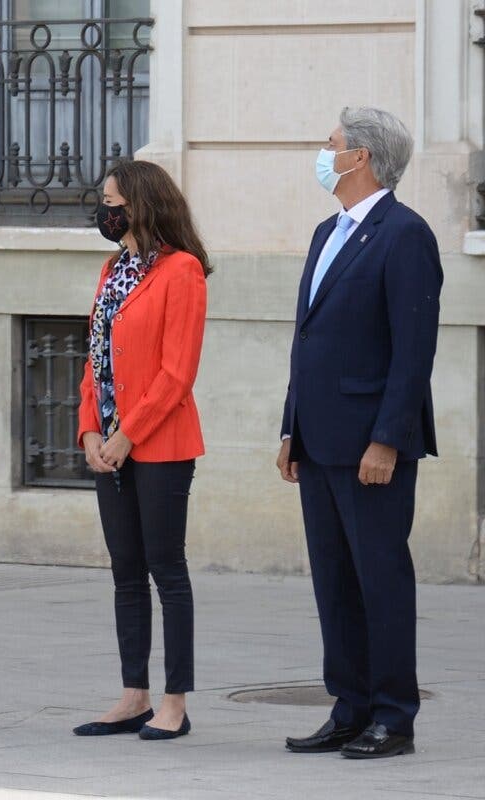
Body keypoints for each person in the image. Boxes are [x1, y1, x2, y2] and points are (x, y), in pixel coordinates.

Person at [278, 107, 441, 759]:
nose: (325, 152)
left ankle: (393, 716)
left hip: (370, 444)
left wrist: (387, 440)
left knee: (380, 580)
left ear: (363, 158)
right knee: (334, 583)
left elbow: (412, 351)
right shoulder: (328, 232)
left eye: (334, 144)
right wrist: (290, 427)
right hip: (317, 441)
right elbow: (308, 337)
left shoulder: (404, 236)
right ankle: (349, 706)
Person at [74, 160, 209, 741]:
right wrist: (89, 432)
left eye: (112, 202)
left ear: (141, 205)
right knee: (125, 573)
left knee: (166, 570)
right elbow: (95, 361)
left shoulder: (183, 272)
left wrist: (128, 435)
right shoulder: (113, 268)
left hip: (160, 445)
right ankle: (135, 695)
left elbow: (177, 374)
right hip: (109, 445)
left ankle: (174, 703)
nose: (104, 211)